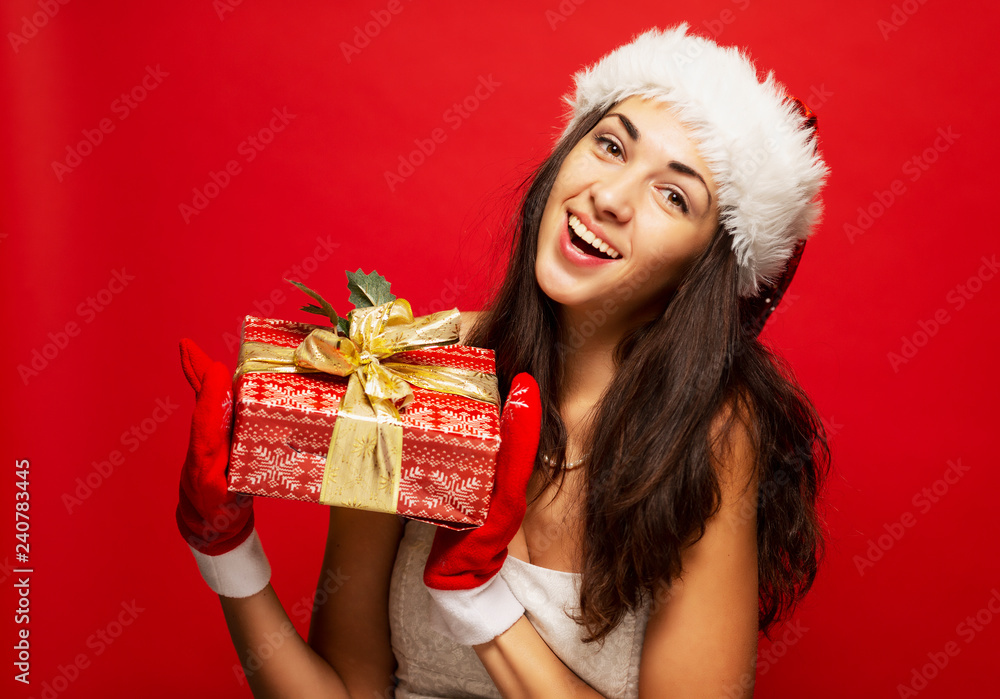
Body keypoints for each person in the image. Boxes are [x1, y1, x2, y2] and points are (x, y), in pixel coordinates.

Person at [175, 23, 830, 698]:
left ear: (706, 269)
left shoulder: (711, 432)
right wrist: (226, 552)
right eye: (610, 145)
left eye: (673, 195)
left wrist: (484, 608)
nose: (610, 197)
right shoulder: (412, 369)